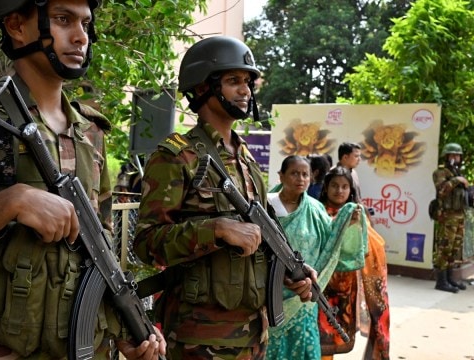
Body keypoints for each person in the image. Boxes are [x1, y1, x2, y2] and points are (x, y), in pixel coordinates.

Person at [0, 0, 165, 359]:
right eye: (63, 20)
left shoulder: (90, 133)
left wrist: (122, 330)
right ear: (17, 26)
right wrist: (4, 206)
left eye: (86, 23)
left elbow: (99, 255)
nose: (81, 36)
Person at [134, 36, 316, 360]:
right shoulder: (177, 157)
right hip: (198, 340)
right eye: (234, 81)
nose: (246, 90)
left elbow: (262, 239)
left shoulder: (246, 158)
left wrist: (291, 269)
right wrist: (215, 229)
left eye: (247, 81)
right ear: (203, 87)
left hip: (254, 337)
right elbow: (147, 243)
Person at [266, 155, 367, 360]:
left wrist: (346, 222)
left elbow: (331, 243)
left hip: (303, 297)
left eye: (305, 174)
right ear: (281, 175)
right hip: (268, 293)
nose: (300, 179)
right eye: (294, 173)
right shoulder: (266, 205)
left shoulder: (316, 209)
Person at [317, 167, 390, 360]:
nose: (339, 191)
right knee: (318, 335)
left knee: (334, 334)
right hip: (320, 284)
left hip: (345, 287)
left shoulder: (358, 213)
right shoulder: (316, 210)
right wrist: (340, 225)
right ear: (325, 187)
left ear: (351, 189)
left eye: (344, 186)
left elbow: (373, 245)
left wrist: (357, 227)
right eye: (334, 185)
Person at [432, 142, 469, 293]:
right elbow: (442, 191)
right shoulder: (441, 172)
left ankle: (450, 278)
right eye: (452, 155)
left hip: (459, 214)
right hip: (447, 216)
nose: (456, 157)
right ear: (446, 156)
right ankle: (441, 281)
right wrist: (457, 181)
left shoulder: (457, 172)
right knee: (444, 247)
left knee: (455, 248)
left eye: (457, 155)